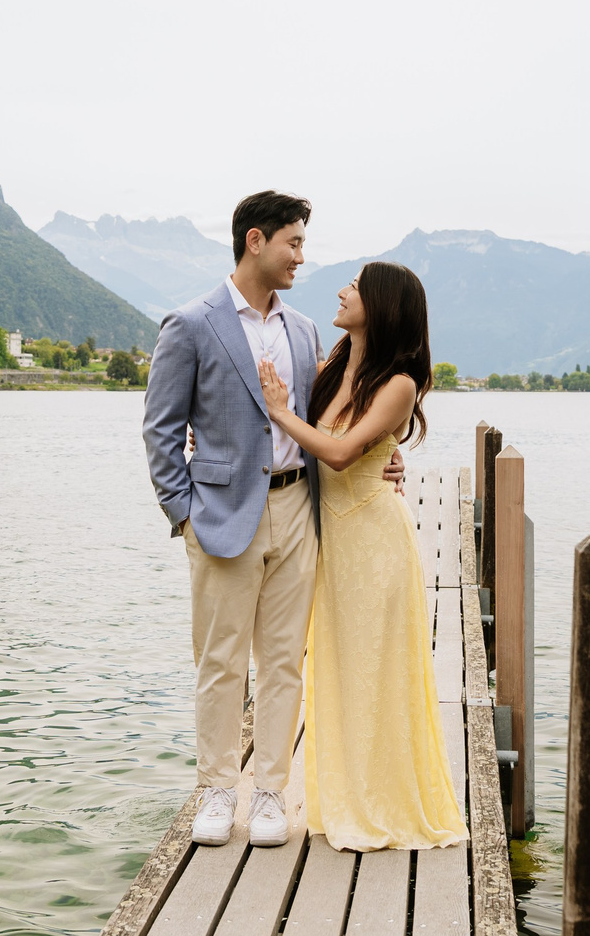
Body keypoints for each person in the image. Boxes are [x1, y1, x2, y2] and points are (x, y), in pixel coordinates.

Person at [254, 262, 465, 852]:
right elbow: (298, 430)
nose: (343, 291)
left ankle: (381, 803)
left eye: (355, 285)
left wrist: (281, 414)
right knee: (340, 671)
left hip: (374, 544)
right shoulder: (333, 364)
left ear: (383, 303)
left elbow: (343, 453)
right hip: (332, 542)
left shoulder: (398, 381)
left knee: (378, 672)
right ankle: (345, 795)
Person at [141, 191, 329, 849]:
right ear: (257, 240)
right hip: (219, 515)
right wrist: (183, 513)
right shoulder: (191, 325)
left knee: (283, 662)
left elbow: (322, 422)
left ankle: (273, 792)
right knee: (220, 661)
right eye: (294, 243)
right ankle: (218, 788)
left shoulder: (303, 331)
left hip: (297, 509)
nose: (301, 256)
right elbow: (160, 429)